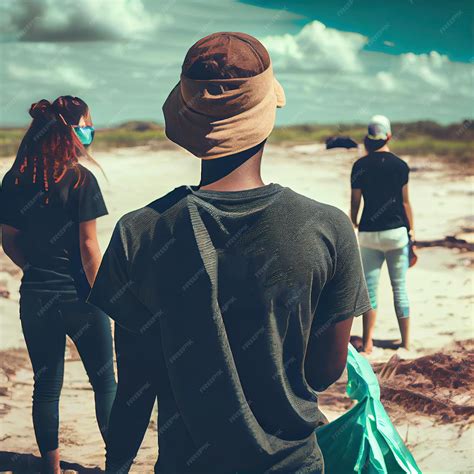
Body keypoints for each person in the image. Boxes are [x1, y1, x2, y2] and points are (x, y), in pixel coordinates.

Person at [88, 32, 371, 473]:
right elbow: (321, 373)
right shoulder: (327, 227)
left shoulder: (138, 232)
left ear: (185, 117)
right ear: (267, 111)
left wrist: (116, 465)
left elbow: (135, 388)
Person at [1, 96, 117, 473]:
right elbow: (88, 246)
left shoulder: (15, 178)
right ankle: (117, 464)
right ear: (70, 130)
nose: (90, 130)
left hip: (36, 297)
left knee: (46, 386)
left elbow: (9, 239)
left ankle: (50, 469)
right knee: (105, 384)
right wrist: (107, 294)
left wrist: (34, 269)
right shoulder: (81, 178)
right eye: (86, 123)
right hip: (83, 298)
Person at [350, 115, 414, 354]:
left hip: (368, 233)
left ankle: (367, 344)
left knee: (370, 290)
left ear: (368, 138)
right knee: (399, 288)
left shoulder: (359, 166)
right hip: (396, 233)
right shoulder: (400, 165)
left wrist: (354, 223)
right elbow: (406, 203)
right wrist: (412, 234)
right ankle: (406, 343)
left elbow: (355, 202)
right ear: (389, 136)